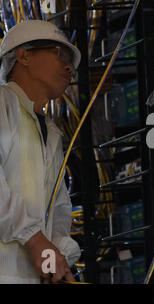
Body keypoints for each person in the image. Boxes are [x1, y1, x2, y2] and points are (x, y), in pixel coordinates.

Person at [0, 20, 82, 284]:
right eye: (60, 55)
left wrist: (59, 255)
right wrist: (34, 239)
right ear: (24, 55)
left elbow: (58, 209)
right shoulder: (3, 105)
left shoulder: (50, 132)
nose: (69, 67)